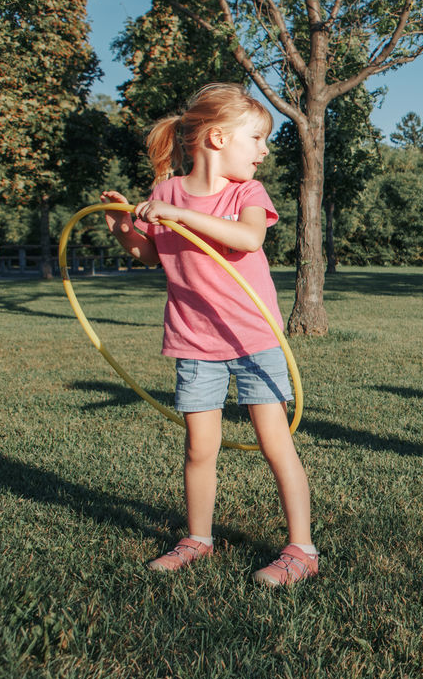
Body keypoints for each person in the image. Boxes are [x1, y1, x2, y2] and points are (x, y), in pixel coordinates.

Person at [101, 83, 318, 584]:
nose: (265, 151)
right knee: (200, 447)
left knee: (274, 442)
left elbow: (247, 238)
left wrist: (179, 216)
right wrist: (122, 230)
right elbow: (154, 255)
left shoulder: (247, 193)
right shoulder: (166, 192)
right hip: (195, 339)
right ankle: (197, 538)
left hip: (252, 338)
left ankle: (302, 549)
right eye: (258, 139)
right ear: (218, 139)